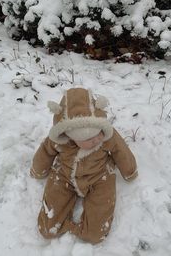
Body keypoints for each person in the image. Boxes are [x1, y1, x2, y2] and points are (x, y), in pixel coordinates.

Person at [30, 87, 138, 244]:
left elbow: (121, 151)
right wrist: (38, 170)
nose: (98, 139)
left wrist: (130, 171)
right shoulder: (59, 140)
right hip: (64, 175)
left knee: (96, 232)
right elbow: (44, 153)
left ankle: (87, 230)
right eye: (89, 138)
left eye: (99, 132)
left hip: (100, 176)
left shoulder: (107, 136)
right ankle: (59, 224)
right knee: (47, 228)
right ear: (68, 135)